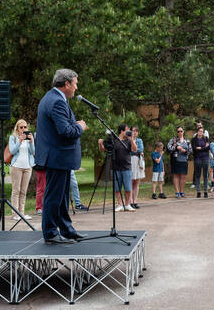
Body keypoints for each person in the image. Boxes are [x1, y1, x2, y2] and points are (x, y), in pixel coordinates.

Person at [35, 69, 87, 244]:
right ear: (66, 84)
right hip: (56, 157)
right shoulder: (57, 101)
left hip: (59, 158)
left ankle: (67, 230)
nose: (76, 87)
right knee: (53, 196)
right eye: (75, 83)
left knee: (62, 197)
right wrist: (80, 127)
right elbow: (65, 131)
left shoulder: (53, 98)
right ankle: (50, 233)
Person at [98, 124, 137, 212]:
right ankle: (120, 204)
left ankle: (127, 204)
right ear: (122, 131)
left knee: (128, 188)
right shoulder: (114, 140)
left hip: (126, 167)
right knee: (117, 188)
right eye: (127, 130)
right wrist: (100, 143)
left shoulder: (128, 141)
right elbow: (103, 149)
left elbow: (135, 150)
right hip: (115, 168)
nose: (129, 131)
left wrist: (131, 140)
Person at [8, 119, 35, 220]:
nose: (23, 129)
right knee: (16, 190)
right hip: (16, 167)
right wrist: (20, 141)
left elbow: (33, 152)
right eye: (21, 127)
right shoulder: (13, 138)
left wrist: (32, 142)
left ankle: (22, 213)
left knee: (23, 191)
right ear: (17, 129)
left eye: (25, 127)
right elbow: (12, 151)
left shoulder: (29, 138)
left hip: (27, 167)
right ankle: (15, 214)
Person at [167, 126, 191, 198]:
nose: (180, 132)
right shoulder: (174, 140)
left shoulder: (187, 140)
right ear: (177, 132)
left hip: (184, 160)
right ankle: (177, 192)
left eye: (181, 131)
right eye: (178, 131)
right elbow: (169, 147)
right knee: (176, 176)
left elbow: (190, 150)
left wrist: (185, 151)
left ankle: (182, 192)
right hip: (175, 160)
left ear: (183, 132)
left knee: (183, 176)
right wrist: (176, 148)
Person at [191, 126, 210, 198]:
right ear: (197, 132)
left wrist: (200, 148)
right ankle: (198, 191)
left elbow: (208, 148)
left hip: (205, 158)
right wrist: (203, 148)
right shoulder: (194, 139)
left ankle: (205, 191)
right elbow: (194, 149)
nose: (200, 132)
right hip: (197, 158)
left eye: (202, 131)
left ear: (203, 132)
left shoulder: (206, 138)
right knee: (198, 175)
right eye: (199, 131)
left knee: (205, 175)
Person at [130, 126, 145, 208]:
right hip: (131, 162)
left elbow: (140, 149)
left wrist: (134, 150)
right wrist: (134, 150)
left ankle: (135, 201)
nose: (134, 132)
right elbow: (129, 151)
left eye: (136, 131)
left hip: (138, 162)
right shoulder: (128, 140)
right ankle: (130, 201)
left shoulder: (139, 140)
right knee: (131, 182)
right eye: (133, 131)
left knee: (137, 183)